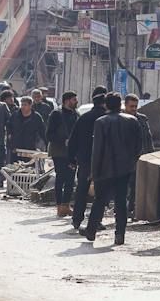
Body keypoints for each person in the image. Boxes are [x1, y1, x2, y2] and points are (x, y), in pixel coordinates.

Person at [83, 93, 144, 246]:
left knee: (100, 200)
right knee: (121, 201)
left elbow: (97, 150)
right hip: (125, 169)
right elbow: (138, 147)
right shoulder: (132, 121)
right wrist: (131, 162)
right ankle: (119, 234)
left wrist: (94, 171)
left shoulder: (101, 122)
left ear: (106, 105)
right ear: (121, 104)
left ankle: (91, 231)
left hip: (104, 168)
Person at [67, 86, 106, 230]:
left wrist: (71, 159)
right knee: (101, 192)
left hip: (85, 160)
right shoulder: (105, 119)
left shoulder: (83, 118)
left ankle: (77, 219)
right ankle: (96, 221)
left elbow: (73, 140)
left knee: (82, 190)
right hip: (102, 161)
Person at [46, 92, 79, 213]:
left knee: (71, 179)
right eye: (74, 99)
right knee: (61, 177)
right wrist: (63, 140)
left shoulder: (76, 114)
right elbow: (49, 134)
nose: (76, 101)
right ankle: (59, 205)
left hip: (72, 152)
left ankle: (66, 204)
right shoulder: (56, 114)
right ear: (67, 101)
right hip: (59, 151)